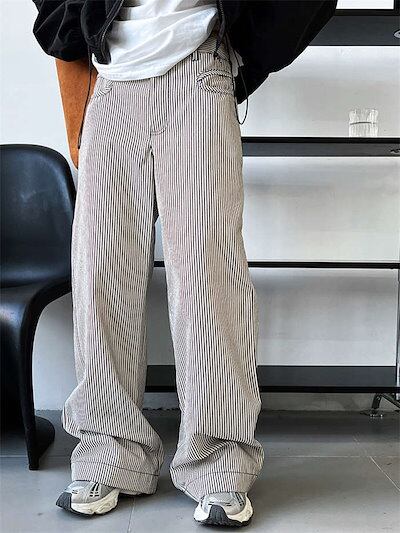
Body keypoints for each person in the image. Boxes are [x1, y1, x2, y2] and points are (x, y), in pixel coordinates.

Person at [31, 0, 337, 527]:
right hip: (111, 81)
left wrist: (250, 44)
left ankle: (220, 464)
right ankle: (110, 453)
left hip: (198, 69)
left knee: (207, 277)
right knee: (100, 273)